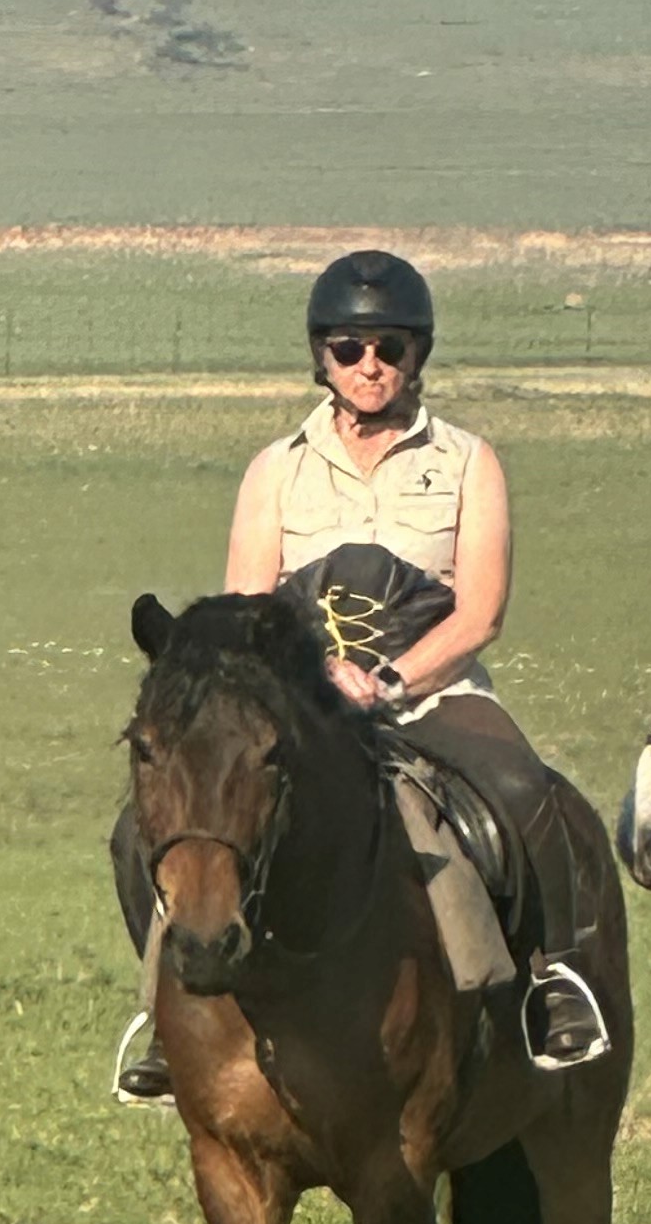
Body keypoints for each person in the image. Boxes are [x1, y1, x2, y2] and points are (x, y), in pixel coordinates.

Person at [121, 250, 607, 1092]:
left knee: (528, 792)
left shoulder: (466, 462)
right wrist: (304, 687)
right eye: (351, 349)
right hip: (301, 708)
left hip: (434, 692)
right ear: (322, 357)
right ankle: (168, 1011)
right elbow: (247, 610)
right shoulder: (277, 469)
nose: (370, 365)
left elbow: (481, 612)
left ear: (418, 354)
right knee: (146, 828)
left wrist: (389, 681)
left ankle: (550, 980)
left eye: (390, 346)